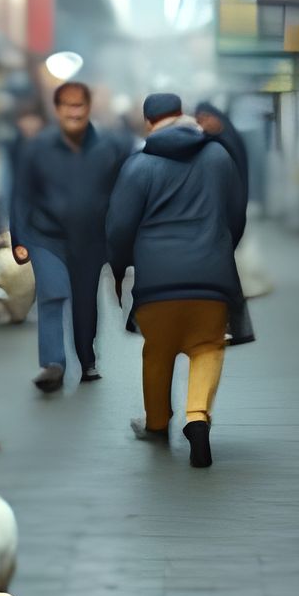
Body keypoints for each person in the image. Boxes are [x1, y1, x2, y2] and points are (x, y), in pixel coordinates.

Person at [104, 92, 246, 469]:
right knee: (207, 347)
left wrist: (119, 269)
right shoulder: (218, 156)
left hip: (156, 281)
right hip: (211, 279)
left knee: (158, 351)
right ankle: (196, 417)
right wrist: (218, 248)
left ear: (149, 122)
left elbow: (119, 229)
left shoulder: (138, 165)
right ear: (182, 114)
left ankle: (156, 423)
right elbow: (236, 216)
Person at [10, 81, 127, 394]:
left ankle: (87, 360)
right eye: (67, 105)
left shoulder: (110, 146)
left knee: (86, 303)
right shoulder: (37, 147)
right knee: (53, 293)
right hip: (46, 236)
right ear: (57, 109)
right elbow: (21, 194)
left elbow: (123, 194)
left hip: (90, 240)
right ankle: (53, 364)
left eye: (79, 105)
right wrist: (19, 239)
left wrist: (121, 238)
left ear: (88, 108)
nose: (74, 111)